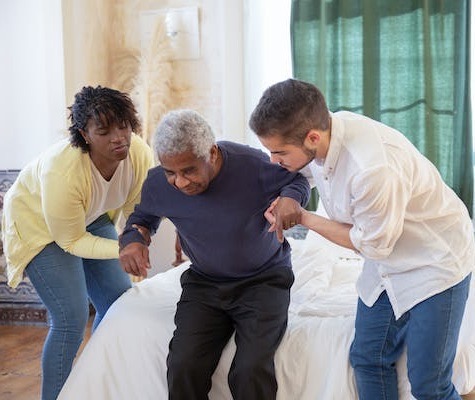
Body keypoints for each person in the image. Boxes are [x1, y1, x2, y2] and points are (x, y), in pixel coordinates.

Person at [249, 78, 475, 400]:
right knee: (367, 360)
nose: (273, 160)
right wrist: (287, 197)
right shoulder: (324, 135)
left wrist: (303, 217)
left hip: (436, 262)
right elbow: (303, 174)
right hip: (387, 261)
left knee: (429, 385)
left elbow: (371, 245)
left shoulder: (371, 169)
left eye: (279, 152)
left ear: (312, 137)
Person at [118, 109, 310, 400]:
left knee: (249, 370)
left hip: (263, 280)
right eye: (171, 172)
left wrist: (290, 199)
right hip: (205, 283)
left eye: (189, 170)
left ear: (211, 152)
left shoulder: (251, 165)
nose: (180, 182)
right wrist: (133, 241)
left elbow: (297, 181)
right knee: (183, 366)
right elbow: (142, 219)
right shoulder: (158, 183)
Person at [1, 86, 154, 400]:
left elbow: (136, 212)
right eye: (104, 131)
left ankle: (93, 387)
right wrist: (123, 249)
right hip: (39, 225)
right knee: (70, 317)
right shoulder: (63, 171)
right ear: (85, 134)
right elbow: (70, 240)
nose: (119, 138)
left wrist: (136, 241)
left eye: (124, 126)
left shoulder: (138, 153)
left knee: (118, 303)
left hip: (90, 214)